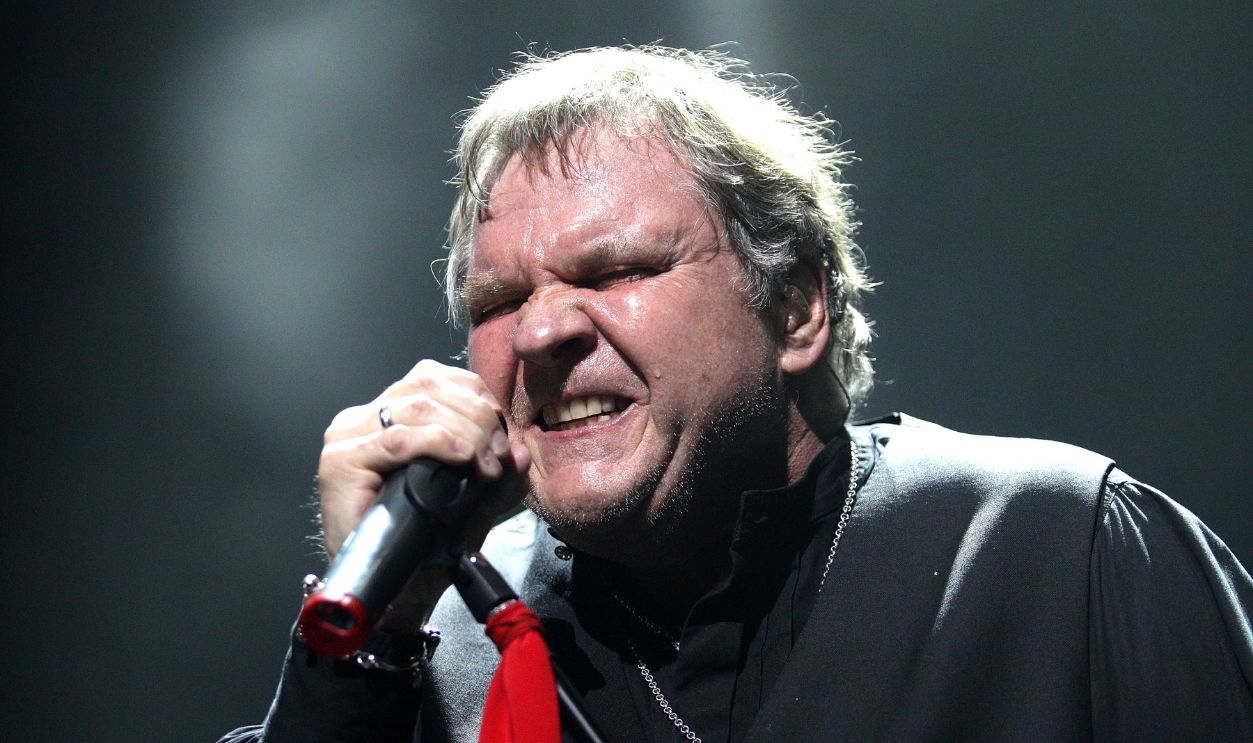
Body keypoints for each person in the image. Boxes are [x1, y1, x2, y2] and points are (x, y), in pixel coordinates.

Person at [221, 45, 1253, 742]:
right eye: (499, 298)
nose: (540, 331)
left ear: (796, 304)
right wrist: (362, 645)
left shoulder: (1056, 553)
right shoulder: (427, 652)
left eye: (614, 268)